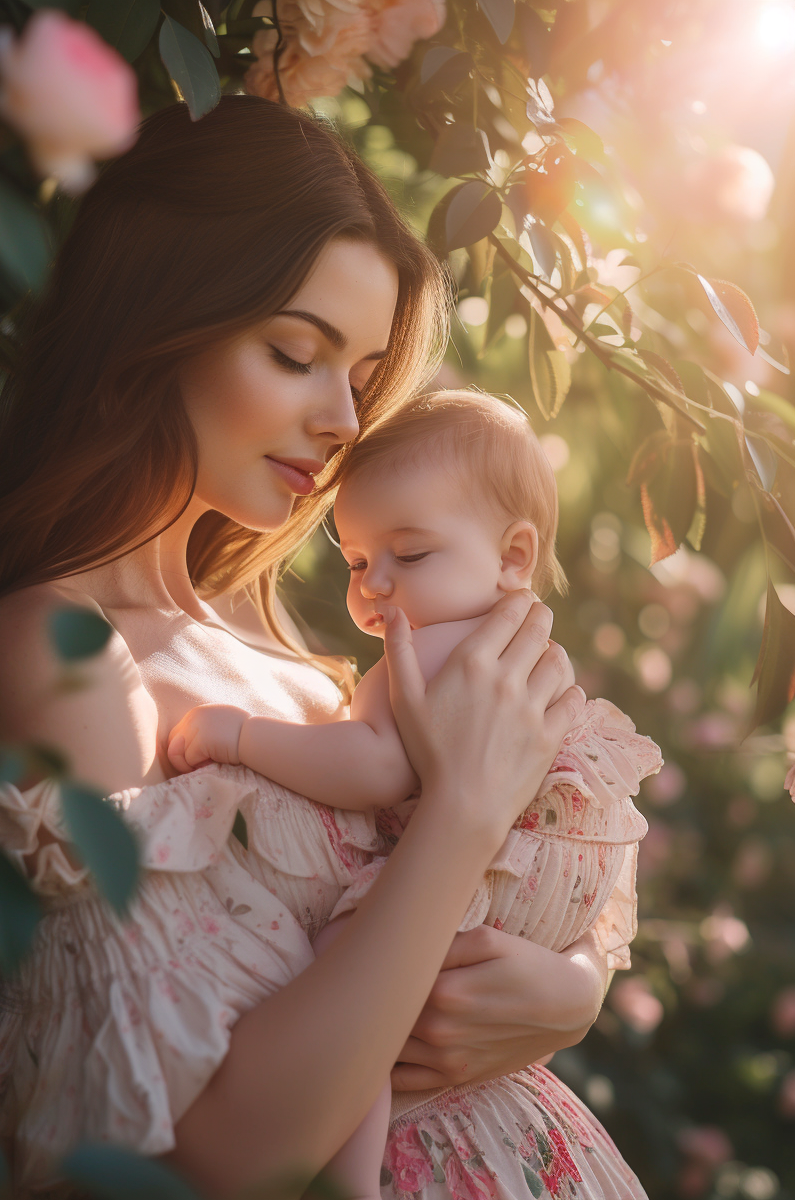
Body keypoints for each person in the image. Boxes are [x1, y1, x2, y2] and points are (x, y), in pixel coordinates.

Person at [0, 95, 606, 1198]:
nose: (345, 419)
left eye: (362, 377)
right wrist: (467, 818)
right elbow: (220, 1156)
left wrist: (569, 992)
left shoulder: (297, 664)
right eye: (298, 353)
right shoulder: (62, 656)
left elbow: (429, 919)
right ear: (154, 323)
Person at [168, 390, 662, 1199]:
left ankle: (349, 1178)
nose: (377, 588)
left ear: (513, 555)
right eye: (360, 561)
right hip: (553, 896)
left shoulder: (430, 653)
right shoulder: (524, 653)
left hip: (486, 882)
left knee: (341, 980)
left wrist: (239, 735)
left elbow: (374, 769)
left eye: (412, 555)